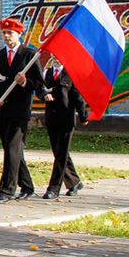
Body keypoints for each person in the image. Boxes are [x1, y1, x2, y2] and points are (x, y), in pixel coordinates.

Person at [0, 17, 42, 204]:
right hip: (2, 109)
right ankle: (27, 186)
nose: (7, 36)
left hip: (20, 110)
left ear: (19, 34)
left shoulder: (29, 55)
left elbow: (39, 84)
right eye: (4, 33)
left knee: (11, 148)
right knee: (12, 149)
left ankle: (7, 191)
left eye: (10, 32)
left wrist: (25, 82)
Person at [41, 57, 89, 199]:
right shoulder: (47, 73)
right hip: (51, 118)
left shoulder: (71, 74)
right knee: (59, 153)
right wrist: (44, 95)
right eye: (55, 56)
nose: (58, 59)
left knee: (61, 154)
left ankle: (54, 188)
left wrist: (83, 115)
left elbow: (77, 96)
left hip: (66, 120)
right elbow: (40, 89)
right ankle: (75, 182)